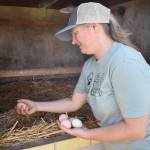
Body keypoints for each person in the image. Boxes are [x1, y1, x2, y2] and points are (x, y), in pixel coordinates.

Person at [16, 2, 150, 150]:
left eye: (75, 33)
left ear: (94, 27)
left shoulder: (125, 61)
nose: (73, 42)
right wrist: (37, 106)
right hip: (112, 145)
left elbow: (136, 130)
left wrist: (87, 134)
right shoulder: (90, 65)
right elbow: (73, 102)